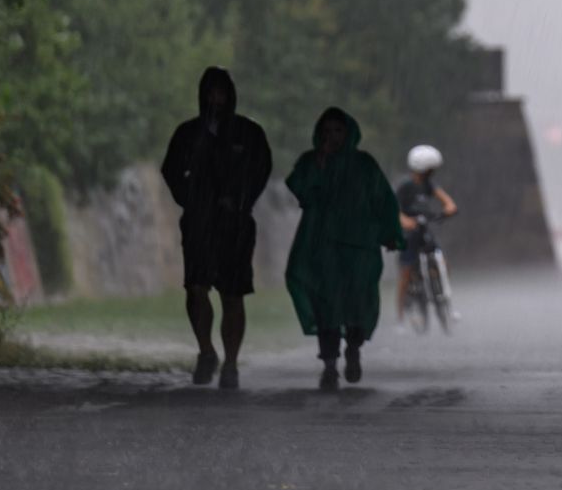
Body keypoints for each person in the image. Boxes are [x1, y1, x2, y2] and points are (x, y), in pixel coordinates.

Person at [159, 66, 273, 390]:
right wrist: (191, 200)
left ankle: (232, 362)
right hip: (198, 223)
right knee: (196, 288)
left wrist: (241, 201)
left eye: (221, 92)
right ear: (202, 95)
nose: (216, 99)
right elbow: (170, 170)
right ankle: (206, 350)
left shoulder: (248, 134)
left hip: (235, 225)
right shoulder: (188, 134)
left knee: (233, 294)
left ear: (231, 94)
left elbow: (262, 169)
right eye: (210, 92)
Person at [285, 107, 402, 389]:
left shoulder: (364, 165)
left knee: (357, 303)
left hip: (359, 247)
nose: (332, 137)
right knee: (326, 305)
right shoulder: (310, 162)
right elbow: (301, 190)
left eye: (338, 131)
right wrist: (321, 166)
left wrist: (390, 233)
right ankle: (328, 365)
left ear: (348, 133)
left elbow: (383, 199)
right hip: (321, 246)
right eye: (327, 132)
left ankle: (353, 348)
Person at [396, 144, 459, 324]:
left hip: (424, 228)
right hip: (408, 232)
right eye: (430, 169)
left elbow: (446, 200)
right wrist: (404, 220)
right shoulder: (405, 185)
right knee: (407, 271)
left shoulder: (428, 185)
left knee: (443, 262)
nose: (432, 172)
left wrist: (449, 208)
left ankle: (443, 299)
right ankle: (402, 312)